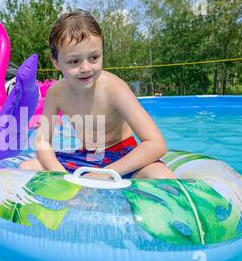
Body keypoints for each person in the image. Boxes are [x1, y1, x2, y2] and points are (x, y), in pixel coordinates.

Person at [19, 10, 175, 180]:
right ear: (56, 62)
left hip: (122, 155)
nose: (86, 68)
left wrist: (105, 174)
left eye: (94, 57)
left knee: (160, 175)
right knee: (27, 168)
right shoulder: (56, 93)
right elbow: (42, 142)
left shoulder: (114, 88)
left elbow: (156, 144)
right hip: (87, 157)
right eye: (74, 61)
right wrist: (62, 175)